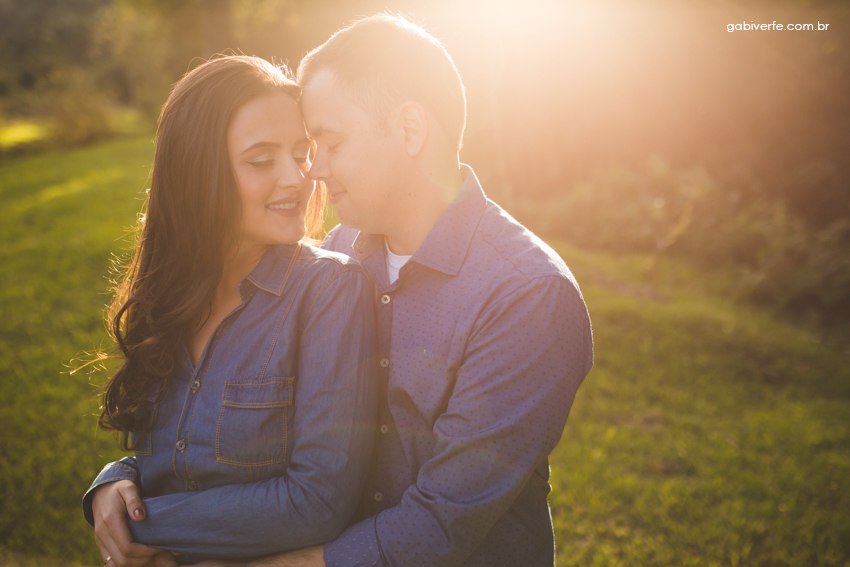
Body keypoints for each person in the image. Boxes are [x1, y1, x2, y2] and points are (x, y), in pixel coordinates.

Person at [94, 14, 594, 567]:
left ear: (409, 129)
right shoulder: (342, 247)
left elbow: (436, 528)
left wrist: (175, 540)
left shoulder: (527, 298)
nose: (314, 171)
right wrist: (120, 481)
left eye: (327, 143)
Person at [81, 55, 377, 567]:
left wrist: (143, 524)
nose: (297, 179)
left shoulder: (331, 291)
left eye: (301, 154)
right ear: (197, 171)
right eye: (262, 161)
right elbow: (184, 455)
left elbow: (318, 502)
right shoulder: (167, 298)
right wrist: (115, 481)